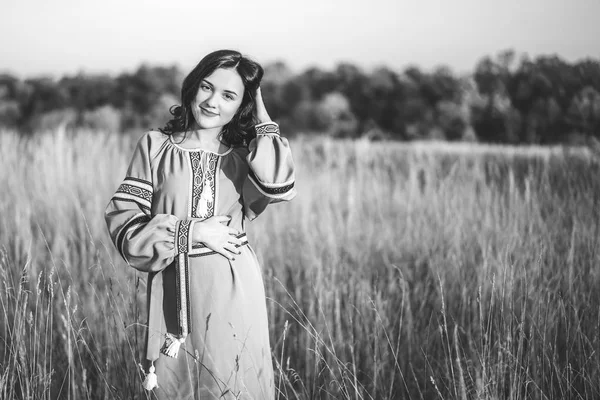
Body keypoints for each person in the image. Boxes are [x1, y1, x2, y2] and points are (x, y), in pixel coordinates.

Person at [104, 49, 296, 399]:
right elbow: (125, 224)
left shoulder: (242, 157)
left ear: (243, 105)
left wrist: (260, 107)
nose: (212, 101)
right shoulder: (155, 147)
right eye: (206, 87)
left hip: (233, 290)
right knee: (175, 387)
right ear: (192, 87)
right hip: (172, 291)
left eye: (229, 95)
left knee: (232, 384)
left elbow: (279, 182)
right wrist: (191, 231)